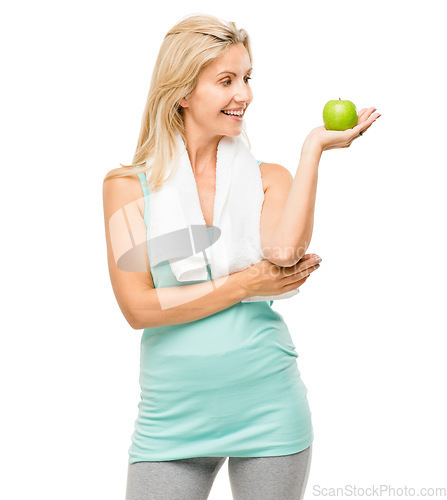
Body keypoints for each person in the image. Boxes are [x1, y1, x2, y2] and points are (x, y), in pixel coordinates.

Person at [102, 13, 380, 500]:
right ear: (183, 92)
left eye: (247, 78)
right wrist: (245, 285)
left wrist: (313, 148)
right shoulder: (127, 188)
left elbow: (283, 253)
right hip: (171, 422)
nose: (244, 94)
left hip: (269, 411)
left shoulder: (269, 177)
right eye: (226, 80)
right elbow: (138, 307)